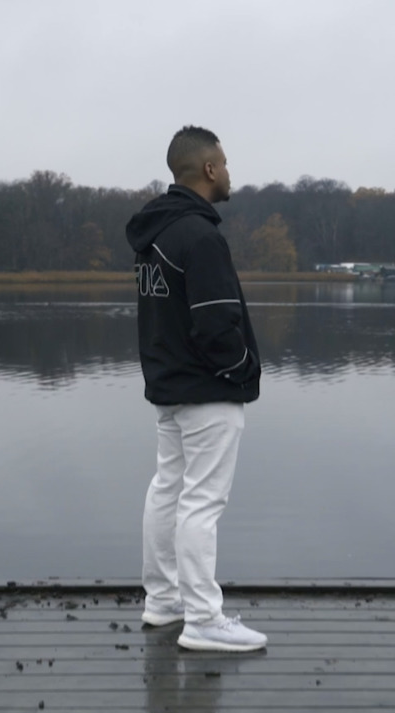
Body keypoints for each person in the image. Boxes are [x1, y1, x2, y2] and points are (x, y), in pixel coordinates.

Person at [125, 125, 267, 652]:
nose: (229, 173)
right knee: (202, 503)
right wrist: (241, 370)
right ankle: (204, 618)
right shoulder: (200, 236)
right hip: (208, 391)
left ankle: (163, 602)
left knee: (168, 491)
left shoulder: (156, 233)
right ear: (208, 169)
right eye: (224, 164)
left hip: (169, 387)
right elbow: (214, 324)